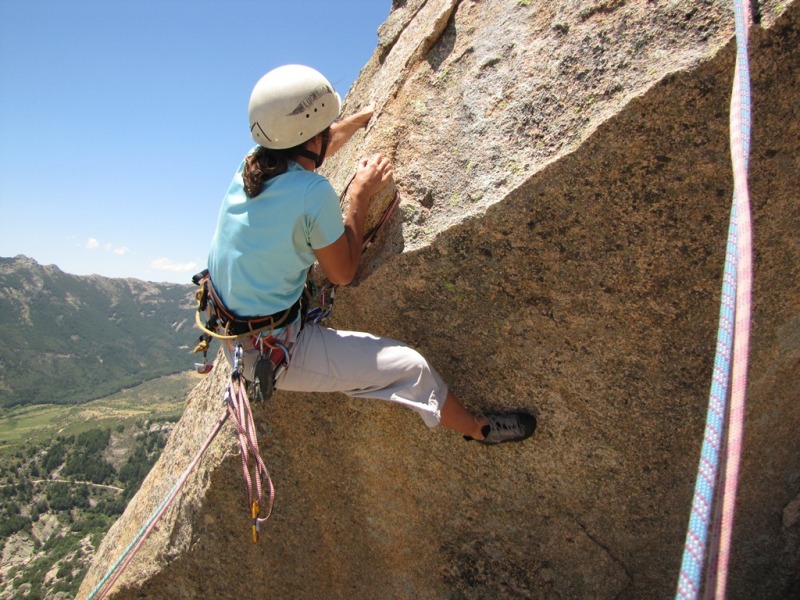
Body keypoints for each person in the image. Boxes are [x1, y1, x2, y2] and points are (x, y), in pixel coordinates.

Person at [206, 64, 536, 445]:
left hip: (229, 324)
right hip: (268, 348)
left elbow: (311, 148)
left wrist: (361, 121)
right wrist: (360, 196)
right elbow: (342, 273)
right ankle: (480, 430)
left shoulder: (252, 163)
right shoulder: (312, 193)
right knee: (411, 368)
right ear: (313, 138)